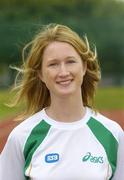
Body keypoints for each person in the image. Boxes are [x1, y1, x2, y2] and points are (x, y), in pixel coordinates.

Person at [0, 23, 124, 180]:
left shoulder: (112, 134)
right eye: (53, 64)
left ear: (84, 67)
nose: (63, 72)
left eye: (70, 61)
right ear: (41, 74)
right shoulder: (22, 137)